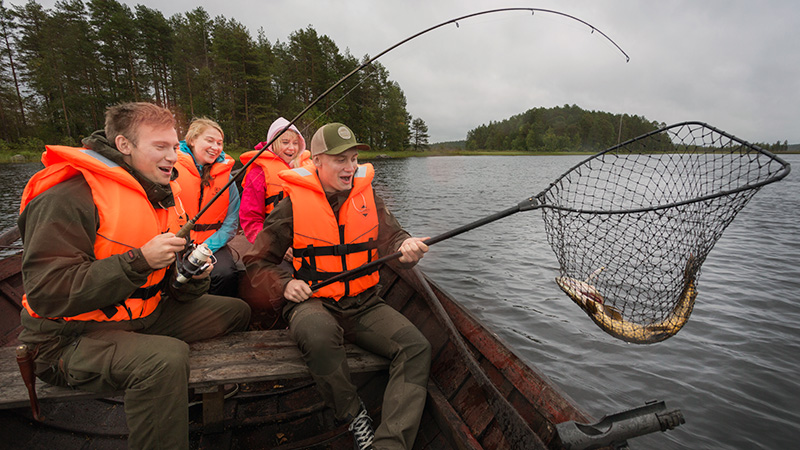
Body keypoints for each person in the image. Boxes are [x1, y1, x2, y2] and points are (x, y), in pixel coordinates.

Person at [17, 102, 252, 450]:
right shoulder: (68, 197)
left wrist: (193, 276)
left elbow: (176, 290)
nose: (173, 156)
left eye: (174, 147)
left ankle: (182, 394)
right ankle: (160, 396)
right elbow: (46, 292)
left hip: (144, 316)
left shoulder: (162, 193)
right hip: (67, 338)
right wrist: (139, 261)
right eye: (160, 147)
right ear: (124, 145)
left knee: (237, 311)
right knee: (165, 359)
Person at [243, 122, 431, 450]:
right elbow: (257, 262)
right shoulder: (292, 206)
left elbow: (394, 239)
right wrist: (285, 285)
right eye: (340, 160)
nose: (351, 167)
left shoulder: (368, 196)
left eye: (354, 158)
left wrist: (408, 249)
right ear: (316, 161)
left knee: (417, 347)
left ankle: (390, 445)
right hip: (314, 301)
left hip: (364, 304)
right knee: (318, 333)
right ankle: (353, 414)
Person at [175, 117, 241, 297]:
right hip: (177, 244)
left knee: (226, 274)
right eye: (209, 140)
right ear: (193, 139)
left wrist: (205, 248)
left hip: (212, 244)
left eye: (219, 143)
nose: (215, 147)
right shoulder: (171, 169)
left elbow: (231, 224)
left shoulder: (226, 178)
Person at [239, 117, 308, 243]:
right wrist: (271, 244)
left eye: (295, 143)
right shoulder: (258, 173)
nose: (291, 148)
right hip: (274, 239)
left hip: (305, 237)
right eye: (285, 142)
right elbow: (251, 220)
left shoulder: (308, 167)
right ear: (273, 143)